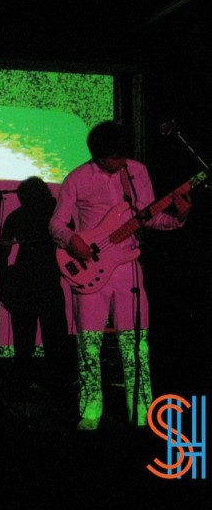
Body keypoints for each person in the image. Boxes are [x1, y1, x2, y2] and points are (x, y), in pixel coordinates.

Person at [49, 121, 191, 430]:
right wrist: (73, 240)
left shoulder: (137, 172)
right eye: (115, 157)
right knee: (89, 344)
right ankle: (90, 411)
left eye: (123, 155)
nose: (121, 162)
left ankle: (142, 411)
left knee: (136, 343)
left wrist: (179, 217)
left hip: (128, 267)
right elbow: (56, 224)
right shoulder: (77, 178)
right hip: (90, 268)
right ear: (98, 155)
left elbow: (147, 218)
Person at [0, 177, 73, 388]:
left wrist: (4, 281)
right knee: (53, 336)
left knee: (25, 339)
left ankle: (24, 381)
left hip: (26, 283)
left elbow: (2, 254)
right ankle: (56, 382)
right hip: (46, 280)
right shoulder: (55, 213)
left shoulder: (18, 216)